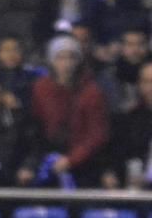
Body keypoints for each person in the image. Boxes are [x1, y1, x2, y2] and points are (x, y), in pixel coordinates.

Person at [30, 34, 110, 188]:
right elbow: (35, 126)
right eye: (60, 58)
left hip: (83, 162)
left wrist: (71, 159)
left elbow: (97, 134)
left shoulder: (92, 92)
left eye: (71, 58)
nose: (66, 64)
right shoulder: (40, 88)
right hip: (48, 157)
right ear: (51, 61)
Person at [103, 60, 152, 190]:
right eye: (147, 82)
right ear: (140, 85)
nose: (151, 87)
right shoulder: (128, 119)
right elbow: (116, 154)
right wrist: (110, 174)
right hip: (135, 190)